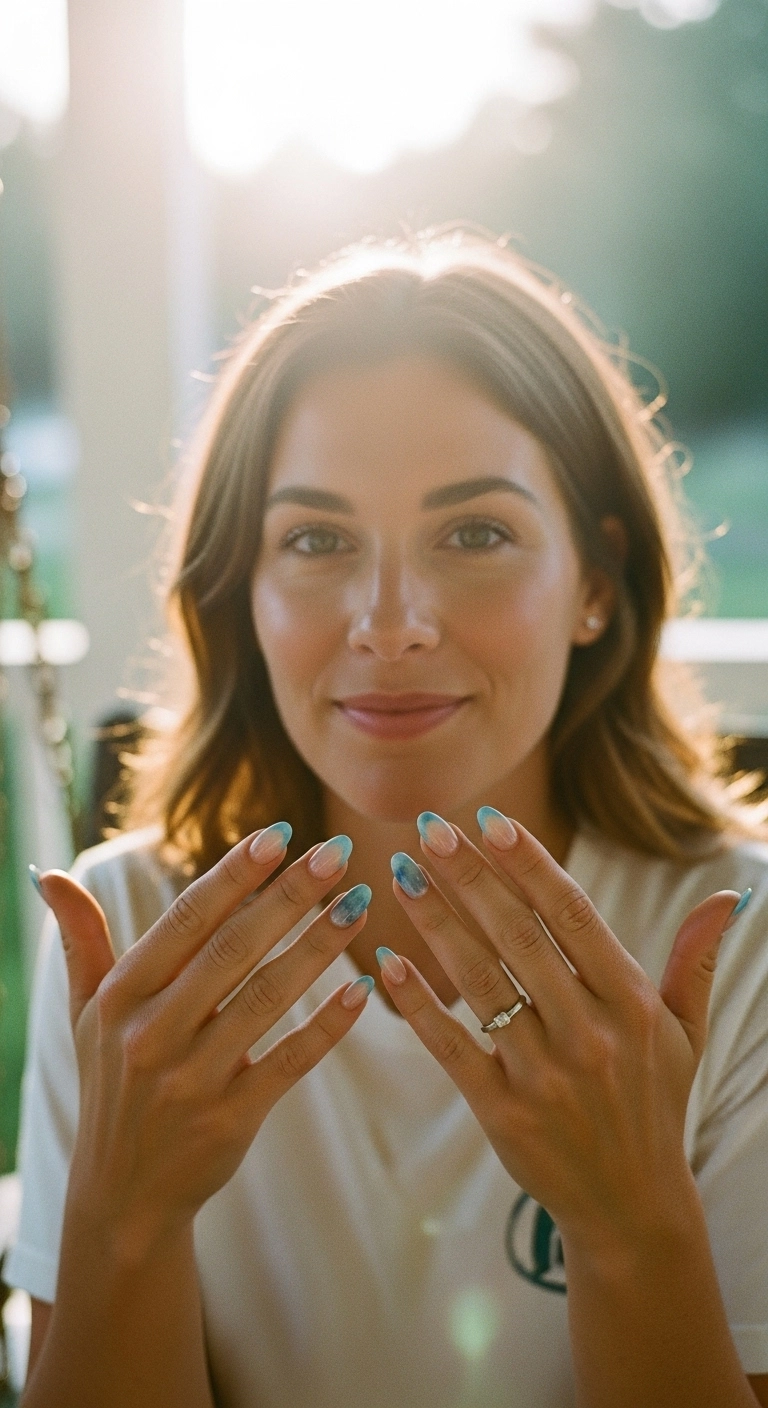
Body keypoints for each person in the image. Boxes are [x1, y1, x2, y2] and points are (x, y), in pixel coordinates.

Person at [7, 228, 768, 1408]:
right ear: (239, 591)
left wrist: (630, 1227)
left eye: (475, 534)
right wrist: (123, 1220)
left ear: (598, 581)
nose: (390, 621)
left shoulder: (738, 948)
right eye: (316, 539)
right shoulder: (128, 942)